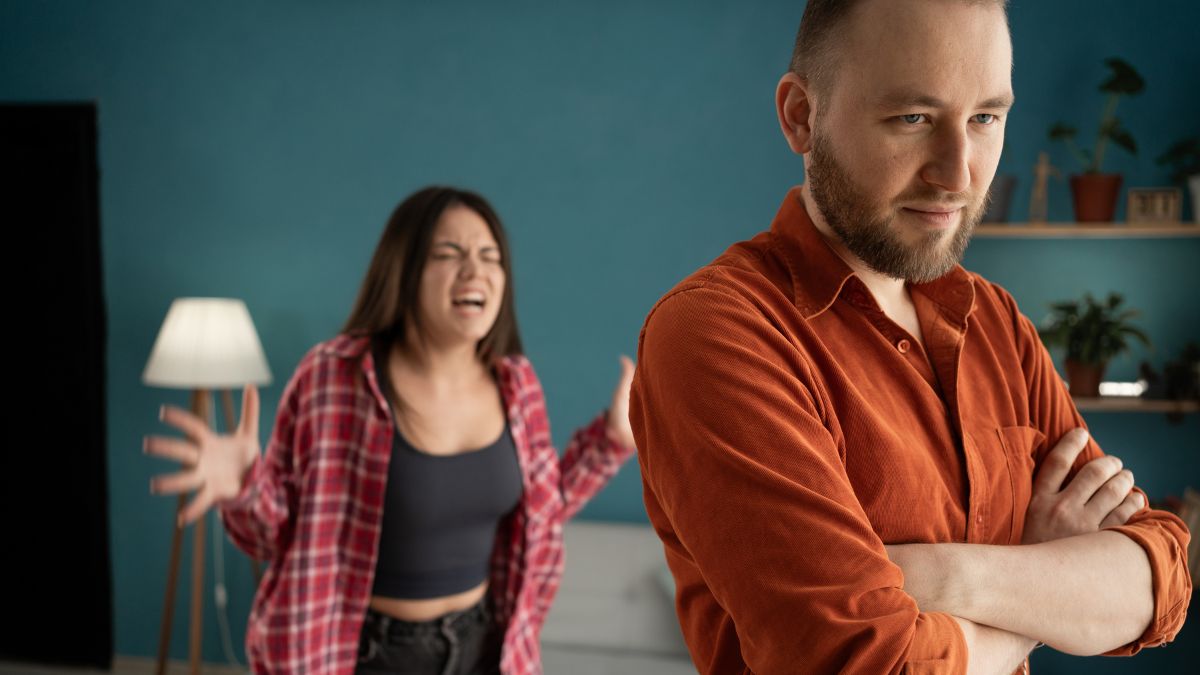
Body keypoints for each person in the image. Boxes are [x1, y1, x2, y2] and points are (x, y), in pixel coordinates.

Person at [628, 1, 1191, 673]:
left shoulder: (995, 322)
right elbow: (860, 661)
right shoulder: (718, 333)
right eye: (913, 118)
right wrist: (1039, 597)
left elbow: (1161, 578)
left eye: (985, 117)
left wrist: (947, 579)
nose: (958, 174)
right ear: (801, 116)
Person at [146, 186, 637, 675]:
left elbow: (540, 510)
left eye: (491, 256)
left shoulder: (518, 383)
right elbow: (279, 536)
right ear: (403, 269)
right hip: (367, 653)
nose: (476, 270)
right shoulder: (334, 376)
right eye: (449, 253)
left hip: (487, 647)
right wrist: (246, 487)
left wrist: (612, 441)